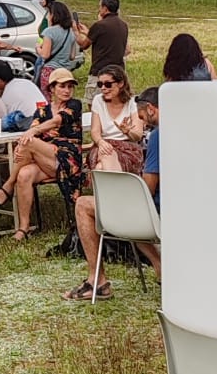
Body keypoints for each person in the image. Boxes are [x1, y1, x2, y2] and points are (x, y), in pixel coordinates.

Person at [67, 87, 161, 301]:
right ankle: (160, 267)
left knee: (83, 204)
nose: (144, 124)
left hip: (154, 215)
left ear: (151, 109)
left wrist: (125, 192)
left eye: (142, 118)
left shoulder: (157, 136)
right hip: (180, 209)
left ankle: (97, 281)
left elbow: (148, 188)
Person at [0, 66, 83, 240]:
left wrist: (33, 132)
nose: (67, 90)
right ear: (52, 89)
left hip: (68, 160)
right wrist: (22, 147)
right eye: (62, 86)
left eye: (70, 86)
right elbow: (32, 134)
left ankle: (8, 185)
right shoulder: (41, 111)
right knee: (24, 173)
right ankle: (23, 228)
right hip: (46, 160)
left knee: (30, 141)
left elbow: (57, 121)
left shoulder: (74, 105)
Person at [87, 65, 144, 173]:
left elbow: (138, 135)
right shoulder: (98, 100)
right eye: (100, 84)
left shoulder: (132, 103)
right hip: (104, 144)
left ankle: (111, 182)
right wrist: (100, 142)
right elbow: (95, 131)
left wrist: (128, 131)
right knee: (106, 152)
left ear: (121, 83)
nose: (103, 88)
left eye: (108, 84)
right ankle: (118, 182)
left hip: (127, 147)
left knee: (100, 167)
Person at [0, 57, 42, 125]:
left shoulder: (7, 95)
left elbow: (3, 119)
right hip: (43, 121)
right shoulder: (27, 82)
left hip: (30, 126)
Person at [79, 0, 128, 80]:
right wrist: (89, 33)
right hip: (118, 71)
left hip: (100, 71)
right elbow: (106, 39)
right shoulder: (123, 25)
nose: (99, 9)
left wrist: (75, 31)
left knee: (93, 89)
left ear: (105, 8)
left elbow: (84, 45)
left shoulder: (99, 25)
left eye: (100, 7)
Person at [36, 0, 82, 90]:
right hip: (65, 72)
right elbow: (72, 56)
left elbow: (45, 55)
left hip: (50, 71)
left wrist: (38, 48)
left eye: (49, 14)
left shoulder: (49, 32)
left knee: (48, 96)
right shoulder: (70, 32)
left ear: (53, 15)